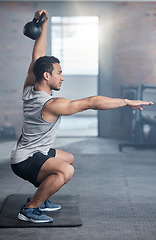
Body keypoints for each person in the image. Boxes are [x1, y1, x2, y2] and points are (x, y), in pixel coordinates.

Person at [10, 9, 153, 223]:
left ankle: (43, 194)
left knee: (67, 158)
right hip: (25, 159)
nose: (62, 78)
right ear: (47, 75)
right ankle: (30, 209)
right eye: (59, 73)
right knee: (65, 171)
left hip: (29, 151)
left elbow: (38, 57)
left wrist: (44, 23)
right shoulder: (51, 104)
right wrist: (125, 102)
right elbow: (92, 103)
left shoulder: (30, 87)